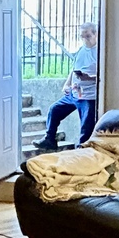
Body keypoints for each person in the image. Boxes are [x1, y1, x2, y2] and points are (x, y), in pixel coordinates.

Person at [32, 23, 99, 151]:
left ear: (95, 34)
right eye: (82, 36)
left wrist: (89, 78)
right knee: (55, 110)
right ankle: (49, 139)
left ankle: (81, 151)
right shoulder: (81, 50)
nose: (85, 39)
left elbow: (104, 75)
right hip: (74, 93)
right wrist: (67, 84)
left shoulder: (99, 52)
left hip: (88, 96)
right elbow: (74, 69)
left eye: (88, 36)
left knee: (86, 126)